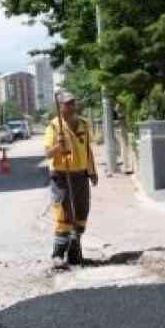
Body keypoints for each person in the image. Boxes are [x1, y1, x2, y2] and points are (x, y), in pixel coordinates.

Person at [44, 92, 99, 270]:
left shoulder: (83, 123)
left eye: (73, 103)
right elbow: (47, 153)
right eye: (67, 104)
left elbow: (87, 149)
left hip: (81, 175)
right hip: (61, 176)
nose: (71, 106)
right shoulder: (53, 127)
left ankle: (75, 254)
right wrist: (58, 148)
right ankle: (58, 255)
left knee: (81, 214)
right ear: (59, 107)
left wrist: (92, 171)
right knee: (64, 216)